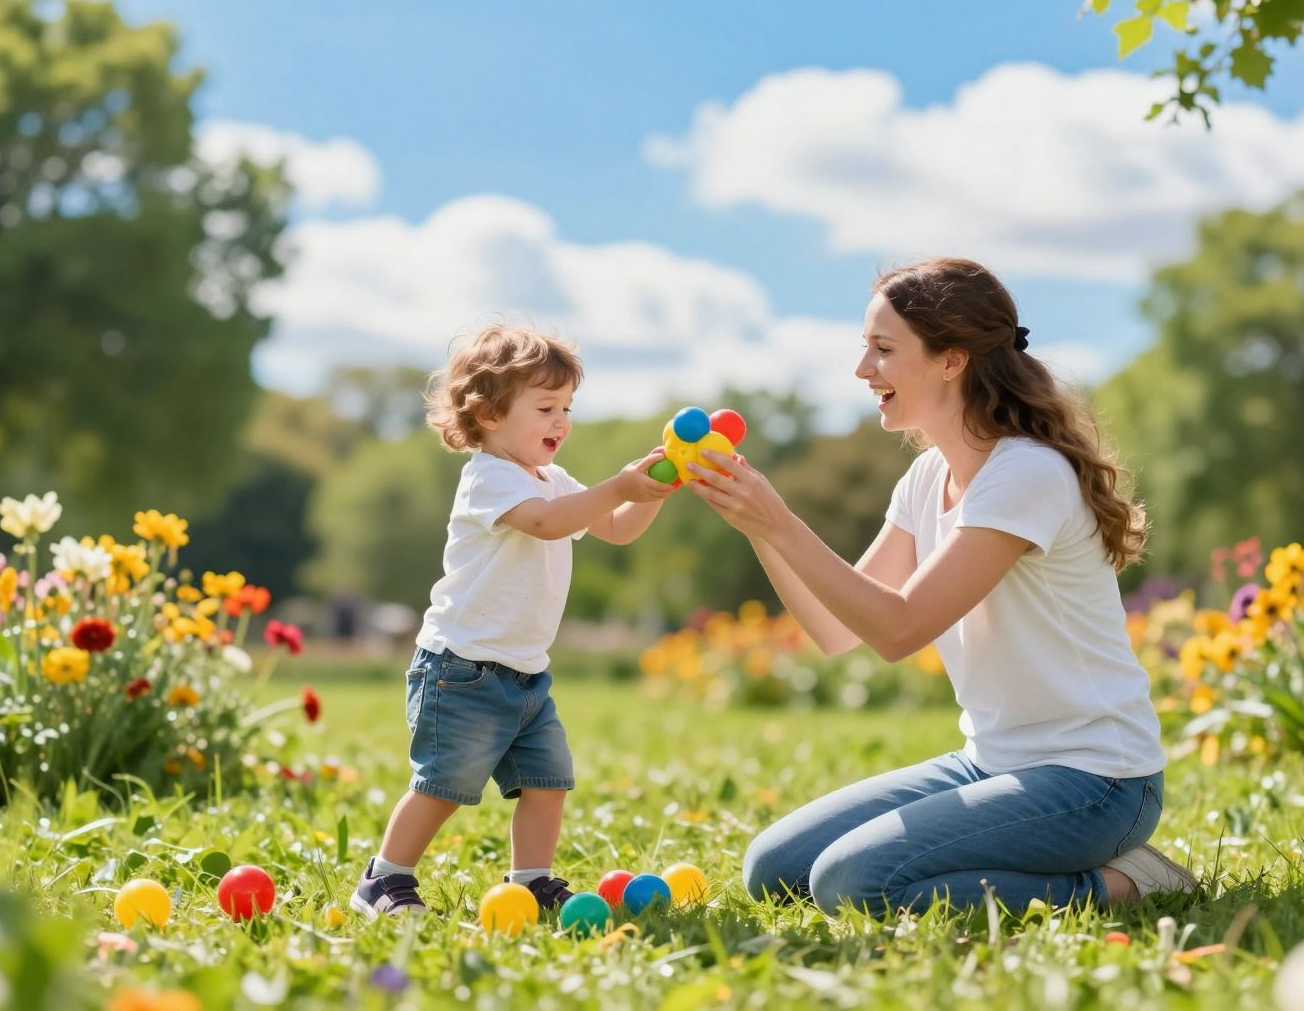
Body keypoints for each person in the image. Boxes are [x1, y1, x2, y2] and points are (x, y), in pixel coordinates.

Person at [686, 258, 1197, 914]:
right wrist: (756, 523)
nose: (862, 368)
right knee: (774, 870)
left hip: (1094, 781)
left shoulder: (1026, 474)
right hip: (990, 763)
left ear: (952, 360)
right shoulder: (927, 480)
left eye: (883, 349)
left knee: (851, 882)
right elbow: (836, 630)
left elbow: (900, 630)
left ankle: (1127, 882)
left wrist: (781, 521)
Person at [351, 325, 675, 918]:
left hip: (526, 676)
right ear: (491, 414)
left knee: (548, 783)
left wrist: (651, 490)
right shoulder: (488, 477)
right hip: (460, 671)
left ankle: (531, 880)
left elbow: (617, 527)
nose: (562, 421)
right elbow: (548, 524)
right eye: (546, 407)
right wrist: (618, 485)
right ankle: (384, 878)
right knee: (443, 785)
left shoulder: (554, 480)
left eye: (567, 408)